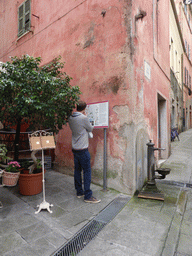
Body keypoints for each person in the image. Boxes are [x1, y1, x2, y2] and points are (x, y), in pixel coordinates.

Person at [68, 101, 101, 203]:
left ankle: (79, 192)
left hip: (75, 148)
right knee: (87, 171)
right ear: (84, 108)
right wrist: (86, 116)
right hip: (83, 149)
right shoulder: (83, 118)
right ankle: (88, 196)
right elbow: (90, 128)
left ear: (76, 107)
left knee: (77, 170)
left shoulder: (71, 118)